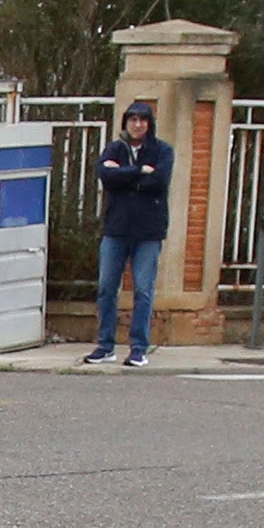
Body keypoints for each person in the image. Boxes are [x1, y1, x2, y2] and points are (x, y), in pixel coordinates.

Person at [82, 98, 173, 367]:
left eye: (143, 120)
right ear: (126, 122)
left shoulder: (162, 151)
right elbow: (105, 176)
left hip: (148, 231)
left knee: (143, 290)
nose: (137, 124)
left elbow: (158, 182)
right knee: (107, 288)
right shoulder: (115, 148)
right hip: (116, 228)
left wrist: (124, 177)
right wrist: (136, 172)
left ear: (149, 124)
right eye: (133, 119)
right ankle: (105, 345)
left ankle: (138, 348)